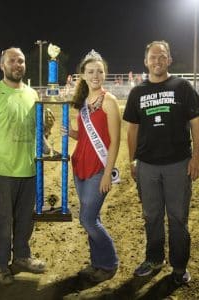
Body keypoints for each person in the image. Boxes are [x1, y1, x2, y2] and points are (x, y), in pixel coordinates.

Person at [123, 40, 199, 285]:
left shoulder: (182, 86)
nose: (157, 61)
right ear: (145, 61)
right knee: (152, 216)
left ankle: (179, 266)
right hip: (147, 166)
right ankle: (154, 259)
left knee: (178, 217)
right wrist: (132, 160)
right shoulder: (137, 92)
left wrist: (197, 158)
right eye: (152, 57)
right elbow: (132, 130)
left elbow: (196, 124)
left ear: (169, 60)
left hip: (178, 165)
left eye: (162, 56)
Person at [0, 47, 46, 285]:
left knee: (24, 219)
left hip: (29, 170)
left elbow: (37, 130)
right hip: (1, 172)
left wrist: (47, 142)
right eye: (12, 61)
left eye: (20, 61)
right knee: (1, 221)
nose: (17, 64)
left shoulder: (32, 94)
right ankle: (0, 264)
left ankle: (21, 257)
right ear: (2, 65)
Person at [67, 49, 121, 282]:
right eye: (91, 71)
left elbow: (115, 140)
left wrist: (108, 174)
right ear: (83, 75)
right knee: (93, 218)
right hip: (80, 165)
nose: (95, 75)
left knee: (87, 219)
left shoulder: (109, 101)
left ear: (104, 73)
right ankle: (97, 263)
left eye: (99, 71)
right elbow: (86, 136)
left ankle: (109, 262)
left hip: (98, 169)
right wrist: (71, 133)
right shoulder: (84, 102)